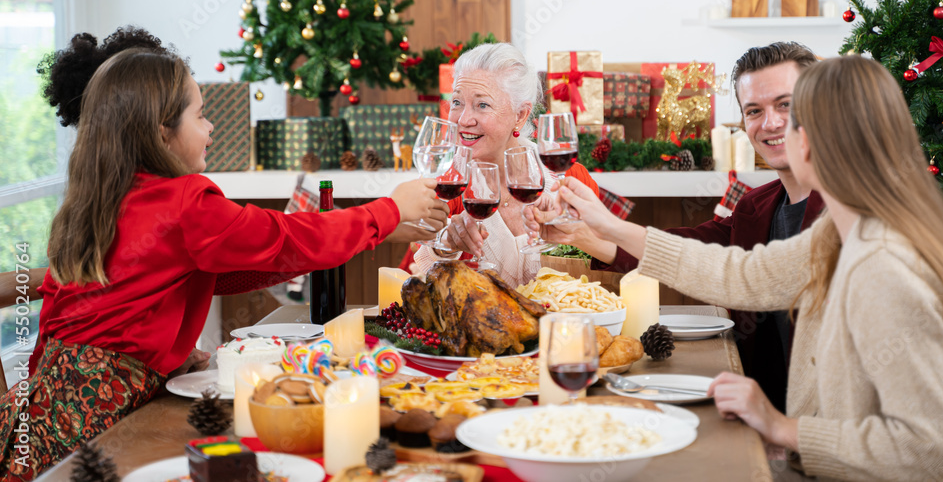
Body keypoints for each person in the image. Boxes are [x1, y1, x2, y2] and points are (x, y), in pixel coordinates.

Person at [0, 35, 447, 480]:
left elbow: (219, 269)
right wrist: (388, 209)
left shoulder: (101, 194)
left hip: (42, 404)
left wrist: (372, 232)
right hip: (99, 417)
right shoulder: (184, 201)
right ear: (162, 132)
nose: (211, 126)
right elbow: (284, 238)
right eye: (200, 115)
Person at [555, 56, 943, 480]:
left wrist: (783, 427)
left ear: (806, 141)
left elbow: (930, 450)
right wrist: (608, 227)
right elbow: (742, 274)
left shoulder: (883, 266)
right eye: (756, 111)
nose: (774, 127)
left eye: (789, 114)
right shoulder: (846, 230)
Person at [528, 42, 824, 412]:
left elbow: (734, 274)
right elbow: (688, 249)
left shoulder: (846, 211)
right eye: (754, 110)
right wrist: (588, 236)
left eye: (785, 104)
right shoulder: (755, 206)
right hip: (759, 413)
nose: (771, 122)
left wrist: (606, 225)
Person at [400, 42, 600, 286]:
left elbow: (603, 269)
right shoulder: (445, 186)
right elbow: (414, 285)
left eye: (482, 105)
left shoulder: (570, 179)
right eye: (456, 102)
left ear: (520, 115)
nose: (463, 120)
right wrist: (445, 246)